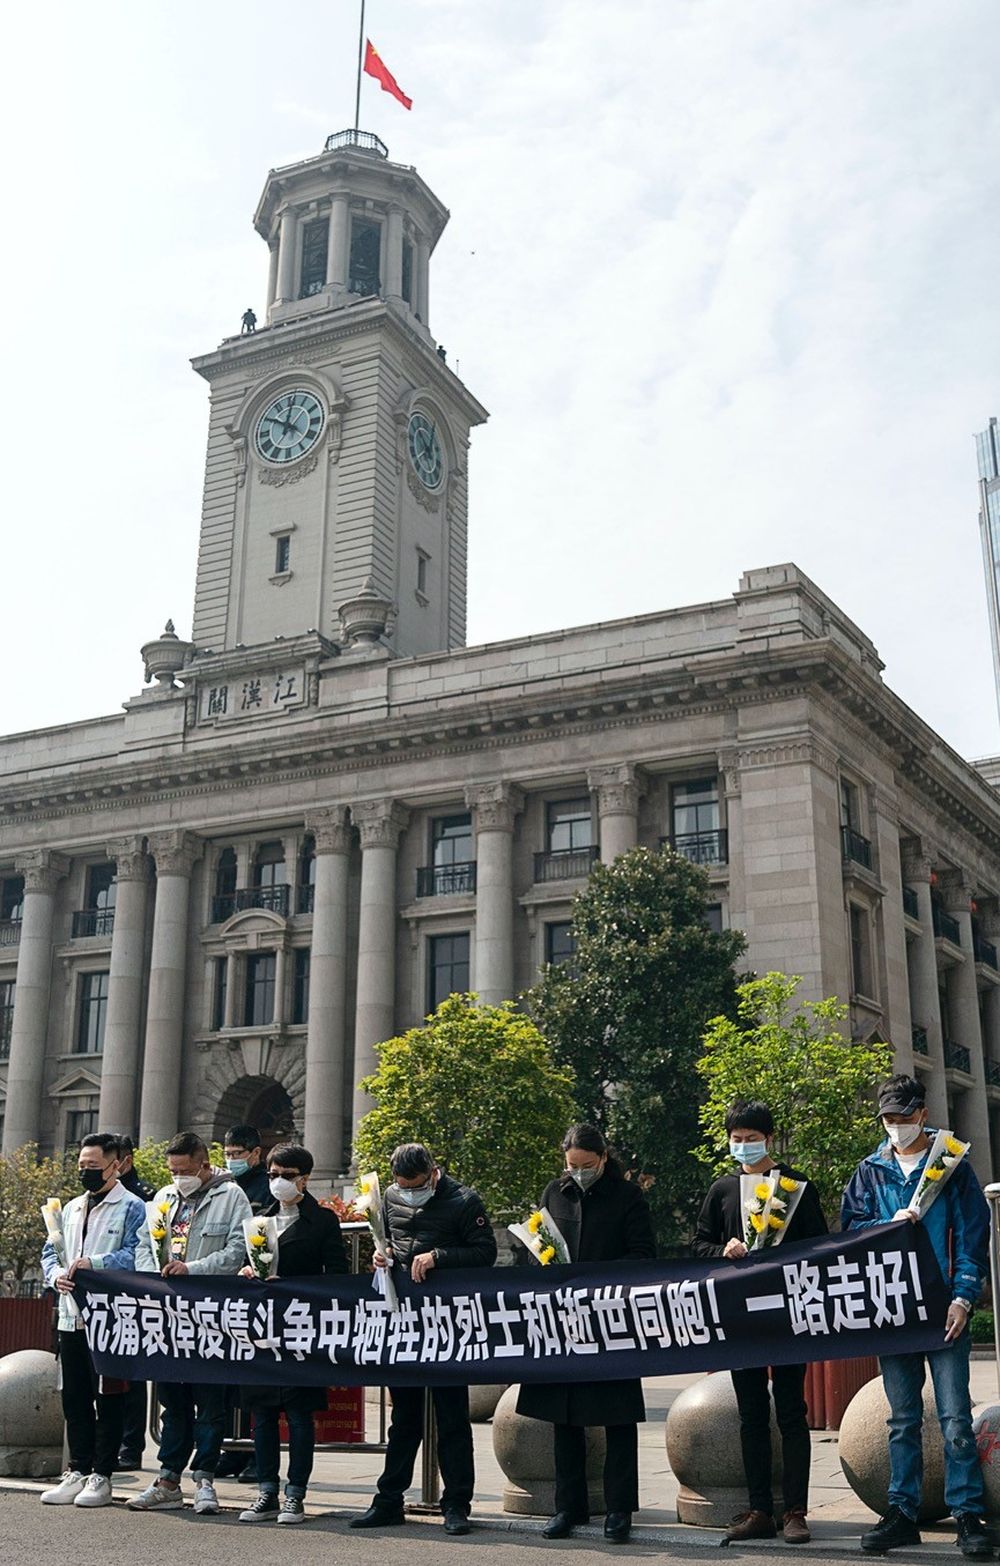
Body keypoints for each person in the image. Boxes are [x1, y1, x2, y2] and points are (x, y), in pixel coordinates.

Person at [841, 1074, 991, 1559]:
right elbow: (851, 1231)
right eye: (888, 1118)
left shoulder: (953, 1167)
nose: (896, 1125)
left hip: (945, 1309)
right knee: (902, 1420)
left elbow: (972, 1236)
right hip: (895, 1310)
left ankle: (967, 1513)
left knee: (955, 1419)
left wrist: (963, 1298)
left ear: (923, 1114)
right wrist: (886, 1225)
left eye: (904, 1117)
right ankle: (901, 1513)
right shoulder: (870, 1171)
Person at [693, 1100, 828, 1545]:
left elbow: (820, 1246)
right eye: (737, 1139)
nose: (744, 1146)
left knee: (791, 1412)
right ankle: (759, 1510)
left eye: (752, 1139)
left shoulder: (796, 1186)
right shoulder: (722, 1190)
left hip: (787, 1314)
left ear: (769, 1139)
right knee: (750, 1414)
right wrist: (724, 1249)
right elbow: (698, 1244)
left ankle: (795, 1512)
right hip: (741, 1317)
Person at [517, 1123, 656, 1546]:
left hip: (610, 1319)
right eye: (571, 1165)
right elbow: (535, 1247)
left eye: (587, 1165)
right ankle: (568, 1507)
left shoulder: (628, 1197)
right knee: (564, 1417)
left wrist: (597, 1279)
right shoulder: (554, 1193)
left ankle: (619, 1509)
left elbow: (643, 1255)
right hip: (564, 1321)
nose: (578, 1173)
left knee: (618, 1417)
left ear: (603, 1159)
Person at [350, 1143, 497, 1536]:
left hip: (446, 1323)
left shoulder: (464, 1200)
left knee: (452, 1419)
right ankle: (388, 1500)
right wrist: (382, 1256)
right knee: (404, 1419)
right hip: (404, 1322)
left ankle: (456, 1504)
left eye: (416, 1185)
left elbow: (485, 1252)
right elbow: (390, 1242)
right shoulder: (388, 1197)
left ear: (433, 1173)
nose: (409, 1193)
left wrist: (439, 1257)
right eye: (403, 1186)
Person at [127, 1131, 251, 1515]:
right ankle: (167, 1480)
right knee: (172, 1402)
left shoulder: (231, 1197)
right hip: (169, 1318)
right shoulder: (163, 1199)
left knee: (210, 1403)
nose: (178, 1177)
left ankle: (205, 1480)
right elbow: (143, 1246)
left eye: (184, 1170)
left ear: (203, 1164)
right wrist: (154, 1278)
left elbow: (238, 1249)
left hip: (211, 1316)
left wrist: (192, 1269)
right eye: (173, 1170)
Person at [237, 1143, 347, 1526]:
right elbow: (245, 1263)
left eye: (286, 1175)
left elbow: (337, 1275)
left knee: (299, 1416)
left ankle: (295, 1494)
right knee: (263, 1414)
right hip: (265, 1330)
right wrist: (247, 1273)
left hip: (303, 1327)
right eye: (272, 1175)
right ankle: (266, 1490)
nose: (278, 1182)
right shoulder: (259, 1221)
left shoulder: (323, 1221)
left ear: (304, 1178)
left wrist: (296, 1286)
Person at [39, 1133, 145, 1509]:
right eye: (82, 1165)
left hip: (111, 1321)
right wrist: (56, 1276)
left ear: (116, 1166)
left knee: (109, 1397)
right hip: (71, 1317)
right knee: (75, 1397)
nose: (86, 1171)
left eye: (94, 1166)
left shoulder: (133, 1207)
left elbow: (137, 1255)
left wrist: (95, 1264)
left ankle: (102, 1474)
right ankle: (78, 1469)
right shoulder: (70, 1208)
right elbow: (50, 1252)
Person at [115, 1134, 153, 1470]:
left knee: (131, 1377)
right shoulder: (87, 1201)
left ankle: (130, 1446)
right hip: (97, 1300)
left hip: (132, 1299)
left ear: (124, 1161)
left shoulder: (143, 1198)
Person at [224, 1124, 271, 1212]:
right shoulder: (224, 1183)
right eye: (227, 1154)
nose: (231, 1159)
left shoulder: (268, 1184)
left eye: (237, 1153)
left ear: (256, 1152)